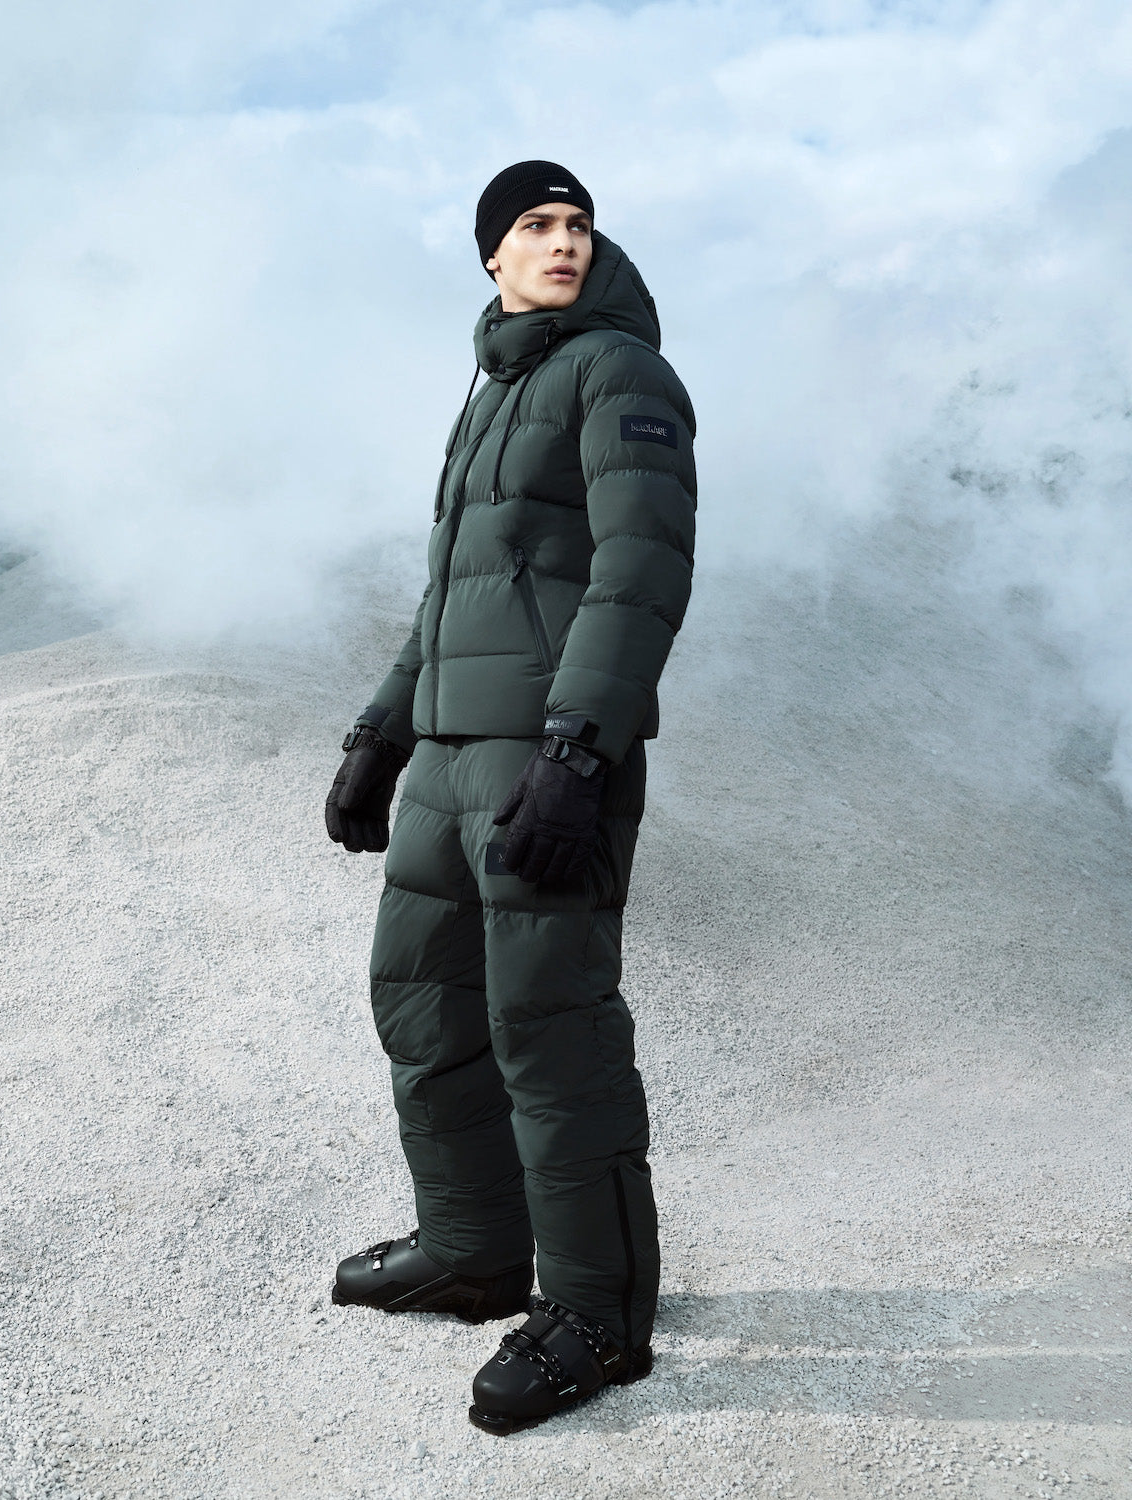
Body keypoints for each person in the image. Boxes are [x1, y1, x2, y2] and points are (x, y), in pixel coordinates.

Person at [324, 160, 697, 1434]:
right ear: (492, 255)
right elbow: (454, 595)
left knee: (551, 1027)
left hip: (545, 760)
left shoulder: (618, 374)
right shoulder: (493, 389)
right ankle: (474, 1249)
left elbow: (642, 571)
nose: (563, 240)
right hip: (447, 759)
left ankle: (599, 1316)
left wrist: (579, 752)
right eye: (536, 225)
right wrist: (382, 731)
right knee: (421, 1001)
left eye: (578, 223)